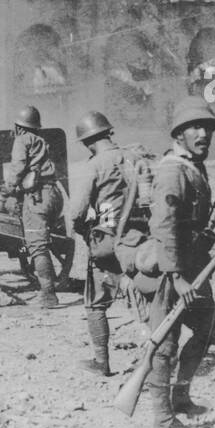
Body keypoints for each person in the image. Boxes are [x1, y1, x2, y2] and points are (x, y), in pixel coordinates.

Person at [133, 96, 215, 428]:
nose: (203, 133)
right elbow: (165, 226)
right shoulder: (173, 170)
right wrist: (176, 276)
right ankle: (162, 421)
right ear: (180, 133)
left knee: (208, 330)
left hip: (193, 267)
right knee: (165, 344)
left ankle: (181, 395)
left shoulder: (194, 165)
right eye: (195, 128)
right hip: (173, 273)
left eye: (207, 127)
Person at [68, 110, 148, 376]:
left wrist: (85, 232)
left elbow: (77, 212)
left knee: (95, 304)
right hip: (140, 241)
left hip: (109, 242)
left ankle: (102, 363)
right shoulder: (135, 157)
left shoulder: (94, 165)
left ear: (88, 141)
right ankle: (153, 357)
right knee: (145, 297)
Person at [5, 105, 68, 308]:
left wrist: (9, 187)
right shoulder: (41, 141)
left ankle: (49, 295)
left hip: (36, 198)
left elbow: (18, 166)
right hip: (53, 195)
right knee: (43, 241)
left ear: (19, 127)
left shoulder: (21, 140)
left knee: (37, 247)